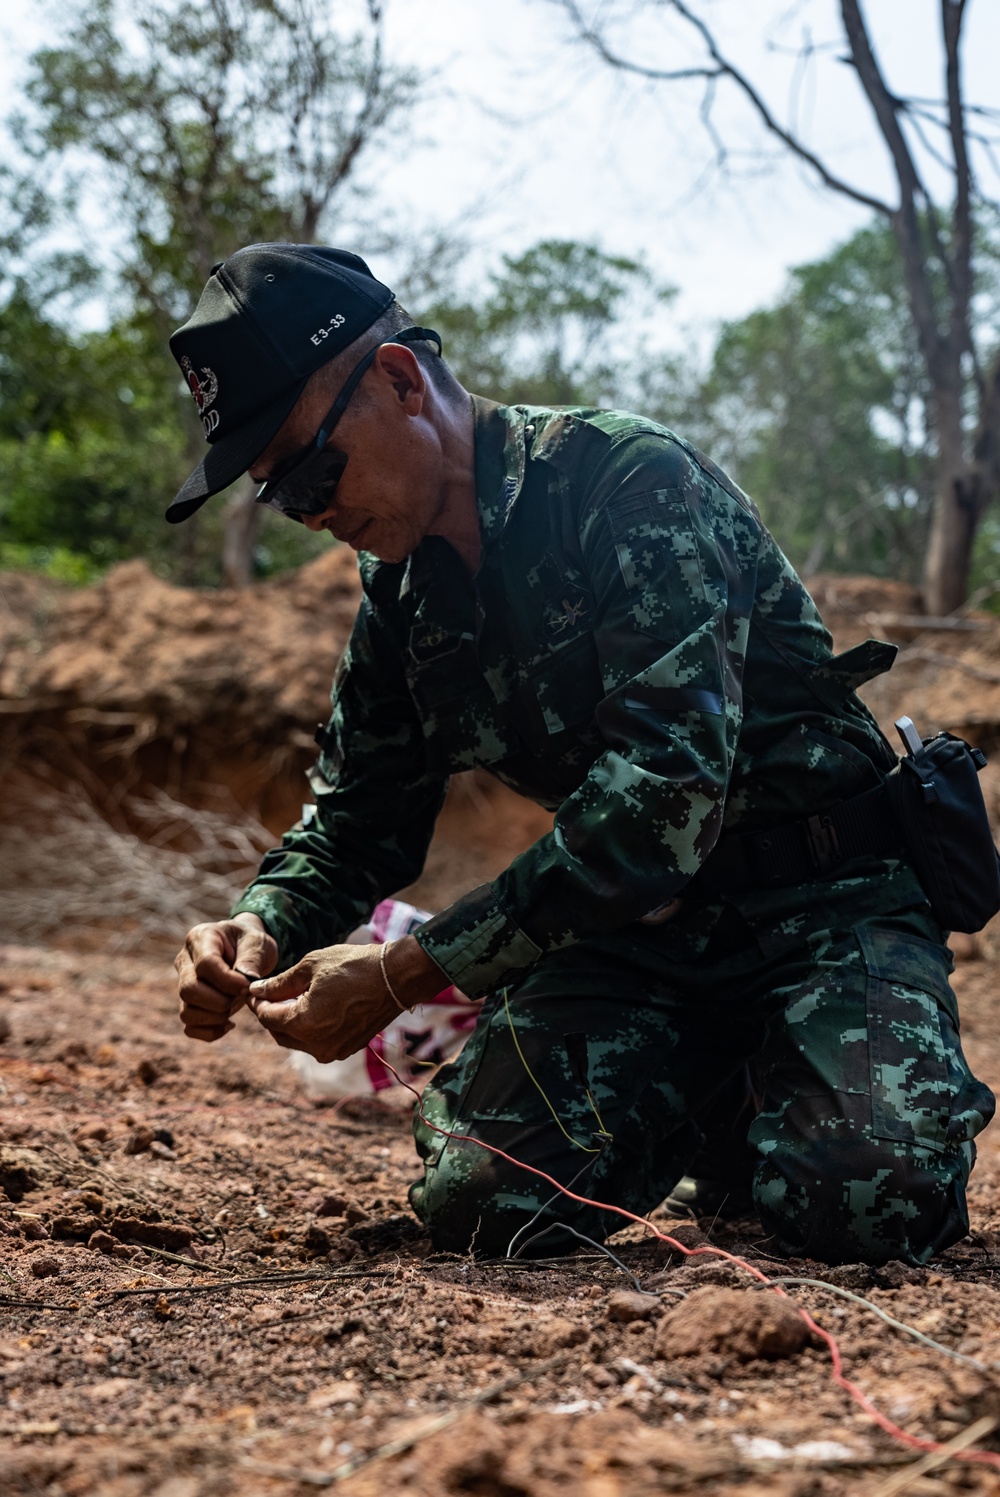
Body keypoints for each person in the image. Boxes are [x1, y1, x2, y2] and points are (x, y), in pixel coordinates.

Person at [171, 243, 994, 1266]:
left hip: (822, 902)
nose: (314, 512)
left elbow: (653, 811)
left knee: (866, 1202)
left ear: (398, 382)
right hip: (635, 939)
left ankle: (778, 1083)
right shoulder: (402, 599)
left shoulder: (628, 486)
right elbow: (357, 817)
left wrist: (403, 974)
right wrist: (259, 922)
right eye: (281, 498)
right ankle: (712, 1088)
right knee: (482, 1197)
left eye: (312, 469)